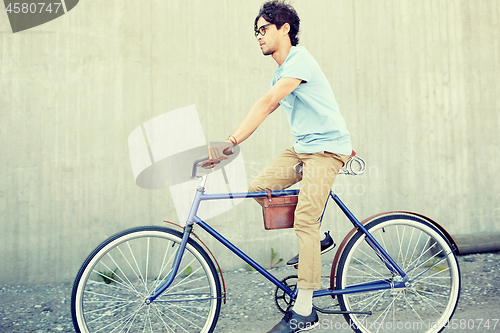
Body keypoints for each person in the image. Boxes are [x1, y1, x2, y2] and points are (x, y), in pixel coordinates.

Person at [203, 1, 352, 331]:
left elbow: (267, 103)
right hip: (303, 150)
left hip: (326, 150)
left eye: (263, 29)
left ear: (284, 29)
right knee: (257, 190)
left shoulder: (301, 61)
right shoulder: (281, 70)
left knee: (304, 220)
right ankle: (318, 237)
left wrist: (229, 142)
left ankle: (304, 310)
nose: (258, 36)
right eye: (255, 31)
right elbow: (267, 101)